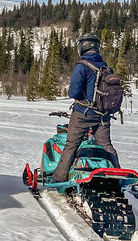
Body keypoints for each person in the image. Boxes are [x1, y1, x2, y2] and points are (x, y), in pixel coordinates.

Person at [51, 33, 119, 182]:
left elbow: (73, 92)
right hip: (103, 115)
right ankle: (117, 175)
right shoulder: (106, 67)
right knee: (106, 145)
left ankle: (59, 178)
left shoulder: (82, 66)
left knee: (71, 144)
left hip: (83, 114)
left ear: (82, 46)